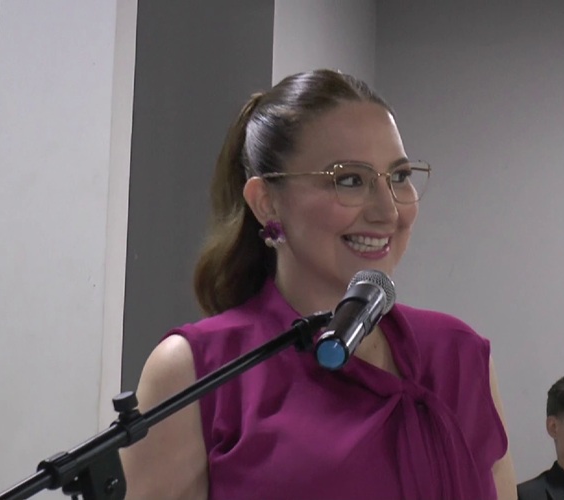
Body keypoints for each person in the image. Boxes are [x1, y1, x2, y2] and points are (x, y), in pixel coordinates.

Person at [120, 68, 517, 500]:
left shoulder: (459, 353)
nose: (388, 211)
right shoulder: (195, 370)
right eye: (350, 180)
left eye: (400, 177)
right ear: (266, 202)